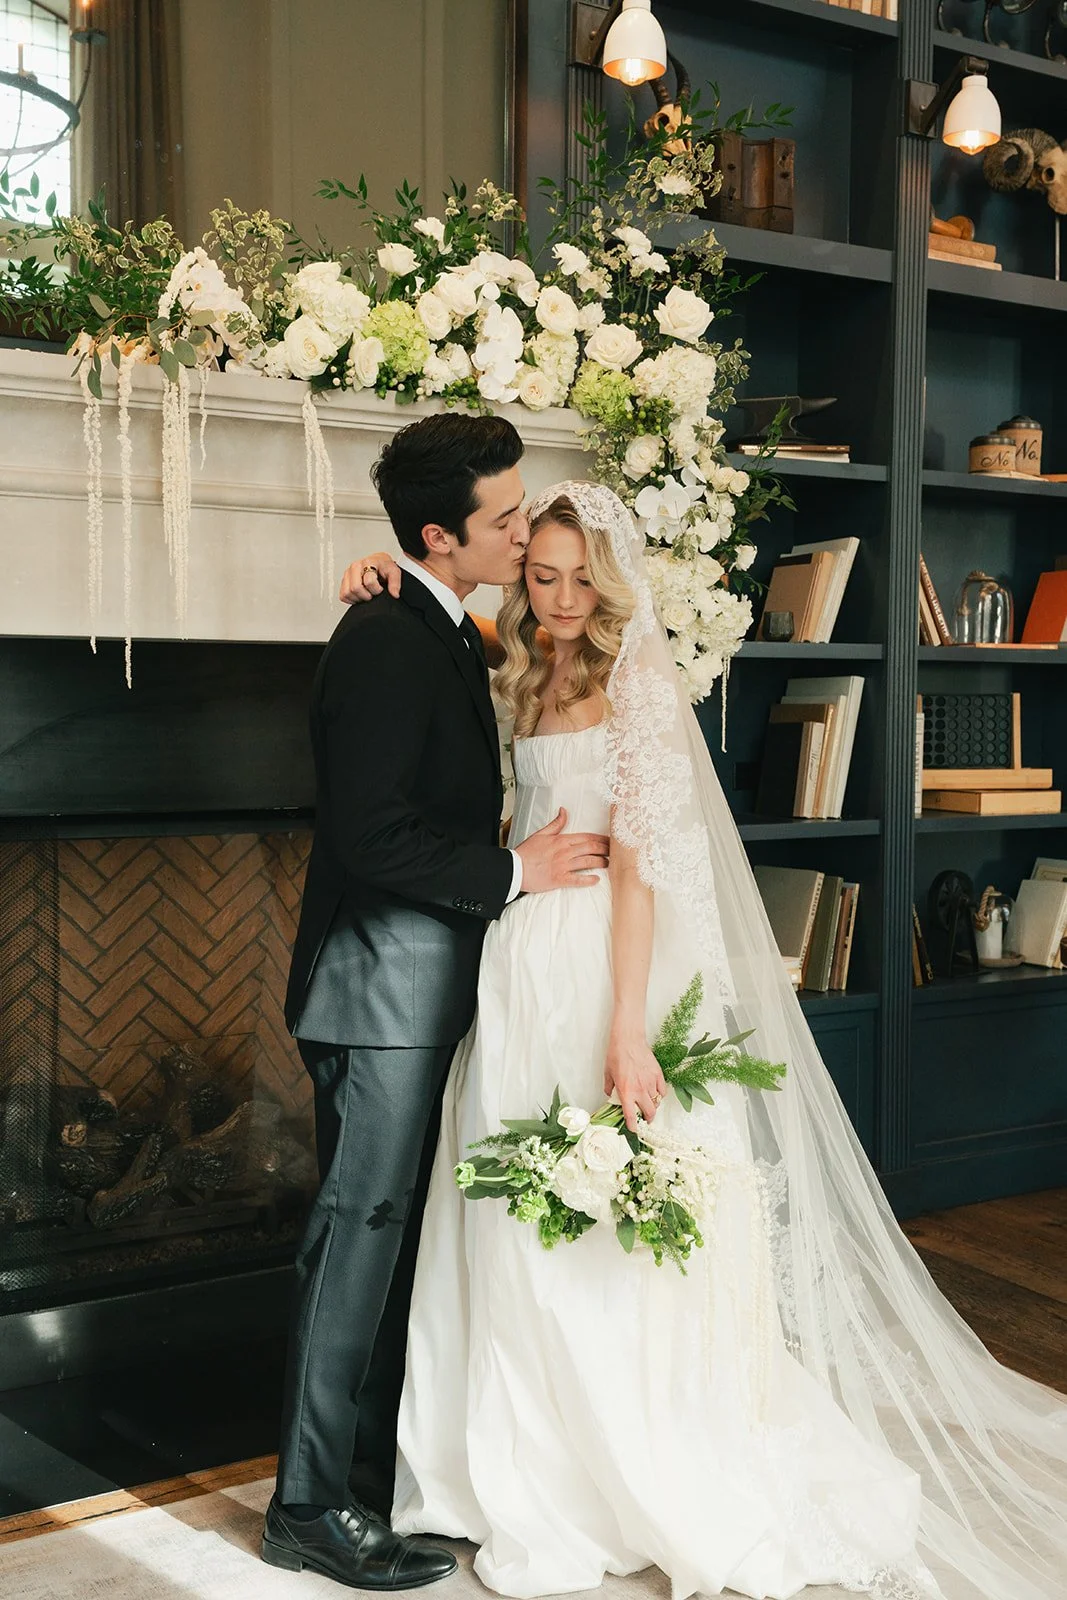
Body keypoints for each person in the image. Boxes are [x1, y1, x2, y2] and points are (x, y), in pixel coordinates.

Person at [345, 481, 1067, 1600]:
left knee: (608, 1228)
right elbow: (445, 627)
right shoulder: (514, 666)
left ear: (612, 578)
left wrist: (627, 1029)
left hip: (600, 972)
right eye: (541, 575)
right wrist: (373, 571)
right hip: (518, 963)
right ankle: (514, 1466)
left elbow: (636, 867)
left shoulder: (636, 690)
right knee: (510, 1220)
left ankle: (623, 1464)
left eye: (582, 576)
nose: (563, 596)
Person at [264, 419, 611, 1590]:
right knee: (353, 1247)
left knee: (394, 1245)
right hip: (377, 994)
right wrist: (514, 873)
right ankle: (305, 1505)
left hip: (420, 990)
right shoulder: (385, 641)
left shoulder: (435, 621)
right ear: (435, 535)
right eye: (505, 521)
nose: (521, 535)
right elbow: (369, 833)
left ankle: (366, 1484)